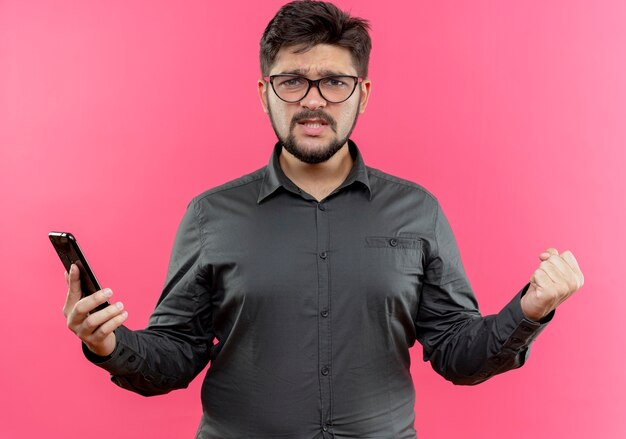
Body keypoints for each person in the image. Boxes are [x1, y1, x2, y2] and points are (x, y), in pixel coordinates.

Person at [62, 1, 585, 438]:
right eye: (292, 81)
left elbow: (455, 353)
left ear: (363, 93)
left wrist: (530, 310)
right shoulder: (210, 215)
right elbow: (175, 356)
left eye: (335, 82)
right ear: (264, 92)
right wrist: (108, 343)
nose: (313, 102)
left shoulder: (418, 210)